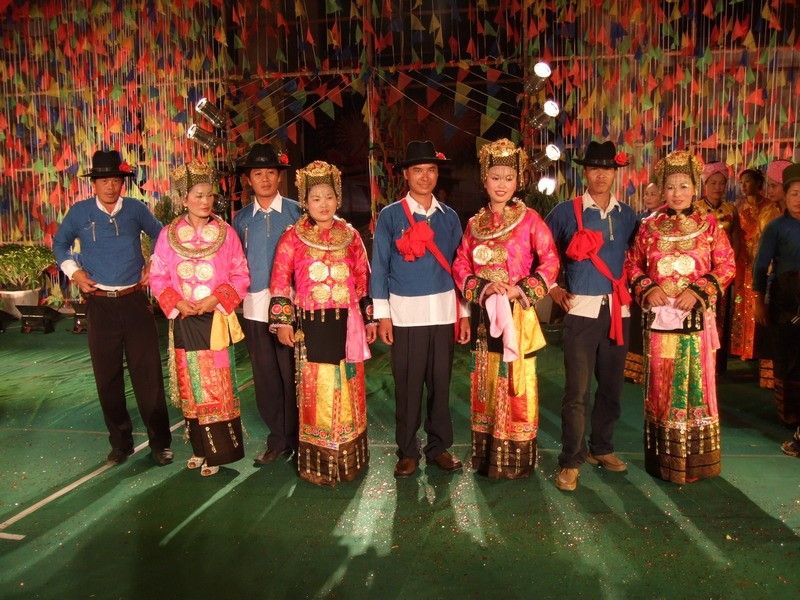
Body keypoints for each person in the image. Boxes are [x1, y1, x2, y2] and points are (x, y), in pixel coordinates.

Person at [53, 150, 173, 466]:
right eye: (104, 180)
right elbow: (59, 244)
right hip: (100, 305)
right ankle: (120, 444)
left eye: (115, 180)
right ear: (93, 183)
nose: (110, 186)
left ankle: (160, 443)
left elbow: (162, 235)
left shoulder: (135, 209)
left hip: (135, 302)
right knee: (107, 378)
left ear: (123, 182)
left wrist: (154, 264)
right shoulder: (79, 212)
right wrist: (75, 273)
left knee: (148, 375)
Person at [452, 139, 559, 479]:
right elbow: (460, 265)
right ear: (485, 180)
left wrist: (521, 289)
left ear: (518, 181)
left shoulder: (530, 220)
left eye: (508, 178)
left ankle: (516, 455)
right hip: (485, 316)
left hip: (517, 313)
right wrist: (482, 288)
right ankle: (487, 455)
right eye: (495, 177)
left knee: (516, 381)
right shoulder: (474, 224)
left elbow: (551, 261)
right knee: (485, 380)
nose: (501, 184)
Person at [626, 150, 735, 484]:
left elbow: (727, 264)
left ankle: (696, 461)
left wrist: (699, 290)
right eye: (670, 186)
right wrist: (647, 288)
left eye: (684, 186)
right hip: (660, 322)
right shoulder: (649, 227)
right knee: (662, 383)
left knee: (695, 383)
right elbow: (632, 264)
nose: (677, 193)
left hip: (695, 320)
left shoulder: (709, 225)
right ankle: (664, 460)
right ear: (662, 188)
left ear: (694, 187)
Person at [268, 161, 375, 486]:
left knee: (348, 385)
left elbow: (363, 279)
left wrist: (369, 319)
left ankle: (350, 460)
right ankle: (321, 463)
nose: (323, 204)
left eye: (329, 197)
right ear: (305, 201)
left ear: (337, 198)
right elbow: (280, 280)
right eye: (316, 198)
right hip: (312, 326)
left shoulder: (351, 236)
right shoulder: (292, 237)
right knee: (318, 389)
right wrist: (283, 322)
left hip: (348, 325)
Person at [370, 140, 471, 478]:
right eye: (417, 170)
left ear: (437, 174)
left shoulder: (449, 217)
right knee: (408, 385)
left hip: (443, 312)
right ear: (405, 175)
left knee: (440, 384)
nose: (425, 177)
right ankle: (408, 451)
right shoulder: (390, 216)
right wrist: (383, 315)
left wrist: (464, 313)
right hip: (405, 314)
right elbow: (379, 267)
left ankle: (439, 447)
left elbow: (461, 267)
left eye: (430, 170)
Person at [545, 140, 639, 492]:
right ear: (585, 172)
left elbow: (639, 257)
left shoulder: (627, 215)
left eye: (607, 169)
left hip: (618, 310)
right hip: (581, 310)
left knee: (612, 387)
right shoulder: (565, 212)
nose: (600, 175)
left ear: (615, 173)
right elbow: (541, 251)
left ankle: (602, 448)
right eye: (594, 169)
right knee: (577, 391)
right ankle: (571, 460)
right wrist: (552, 286)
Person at [149, 160, 249, 476]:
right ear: (184, 199)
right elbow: (158, 277)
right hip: (183, 319)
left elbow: (241, 274)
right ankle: (198, 448)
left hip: (215, 319)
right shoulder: (167, 235)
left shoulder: (226, 233)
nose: (205, 201)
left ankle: (218, 453)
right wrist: (178, 302)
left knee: (216, 384)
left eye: (209, 195)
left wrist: (215, 299)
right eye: (198, 195)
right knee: (190, 385)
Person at [232, 143, 302, 465]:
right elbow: (235, 263)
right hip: (255, 306)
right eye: (257, 174)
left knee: (293, 373)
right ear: (248, 179)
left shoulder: (297, 212)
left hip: (292, 307)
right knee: (265, 376)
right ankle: (278, 440)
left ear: (279, 176)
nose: (264, 179)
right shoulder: (241, 219)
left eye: (270, 173)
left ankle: (301, 438)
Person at [754, 163, 800, 430]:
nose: (798, 200)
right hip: (784, 301)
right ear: (786, 194)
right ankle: (788, 415)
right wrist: (759, 301)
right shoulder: (776, 227)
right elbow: (760, 266)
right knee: (787, 357)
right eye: (794, 193)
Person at [693, 161, 736, 372]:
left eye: (722, 183)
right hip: (701, 270)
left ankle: (718, 366)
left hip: (723, 271)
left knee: (722, 315)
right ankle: (701, 361)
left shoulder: (731, 210)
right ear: (704, 184)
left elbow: (736, 241)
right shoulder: (696, 210)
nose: (718, 187)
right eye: (713, 183)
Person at [755, 160, 792, 389]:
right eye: (768, 185)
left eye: (773, 185)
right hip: (774, 281)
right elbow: (761, 256)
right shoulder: (769, 214)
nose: (769, 190)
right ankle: (774, 380)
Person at [625, 181, 662, 385]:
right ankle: (635, 370)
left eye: (653, 194)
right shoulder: (640, 220)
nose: (648, 198)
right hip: (642, 280)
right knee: (638, 322)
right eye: (646, 194)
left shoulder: (668, 222)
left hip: (664, 283)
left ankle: (657, 371)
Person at [731, 168, 767, 360]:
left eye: (748, 181)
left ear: (758, 184)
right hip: (743, 261)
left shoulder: (769, 207)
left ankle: (757, 348)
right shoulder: (737, 207)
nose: (744, 186)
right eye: (741, 182)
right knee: (741, 302)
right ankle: (741, 348)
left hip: (762, 262)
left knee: (758, 302)